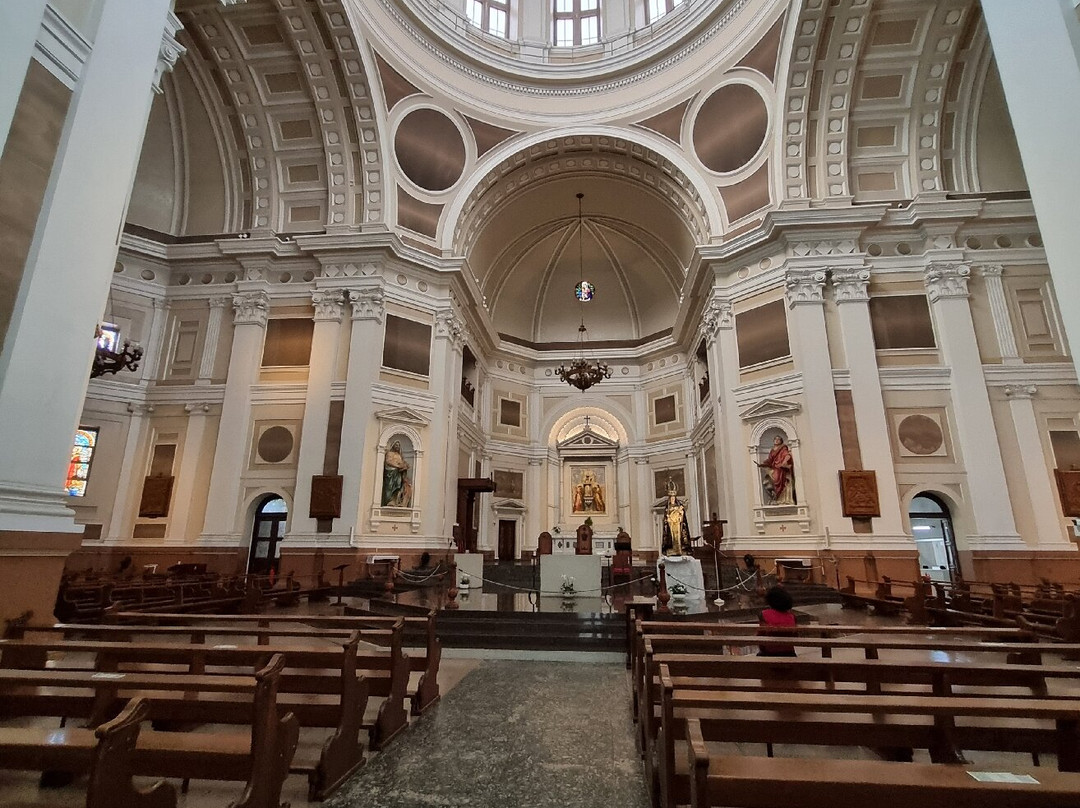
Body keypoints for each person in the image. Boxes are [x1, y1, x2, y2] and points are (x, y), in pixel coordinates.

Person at [757, 585, 797, 657]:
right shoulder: (792, 616)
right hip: (789, 653)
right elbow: (795, 635)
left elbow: (761, 636)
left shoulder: (764, 614)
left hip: (770, 652)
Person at [756, 435, 795, 505]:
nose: (776, 440)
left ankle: (781, 498)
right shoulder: (772, 450)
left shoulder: (783, 448)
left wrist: (784, 462)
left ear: (781, 441)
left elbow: (787, 455)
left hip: (781, 468)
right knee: (767, 480)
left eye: (778, 439)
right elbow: (770, 460)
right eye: (775, 439)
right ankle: (775, 497)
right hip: (775, 467)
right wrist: (762, 464)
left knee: (776, 477)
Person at [661, 481, 690, 557]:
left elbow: (682, 515)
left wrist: (680, 513)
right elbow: (666, 516)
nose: (672, 499)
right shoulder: (668, 507)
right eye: (671, 498)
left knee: (678, 536)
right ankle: (672, 549)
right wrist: (668, 518)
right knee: (672, 537)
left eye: (673, 498)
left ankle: (679, 549)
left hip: (677, 523)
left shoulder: (679, 506)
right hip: (671, 524)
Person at [381, 440, 412, 507]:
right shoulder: (389, 453)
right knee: (389, 487)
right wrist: (397, 466)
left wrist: (405, 466)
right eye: (396, 445)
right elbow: (388, 462)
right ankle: (389, 501)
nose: (397, 446)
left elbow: (402, 462)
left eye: (398, 445)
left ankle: (395, 501)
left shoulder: (399, 455)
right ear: (393, 445)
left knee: (398, 486)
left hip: (398, 473)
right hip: (390, 473)